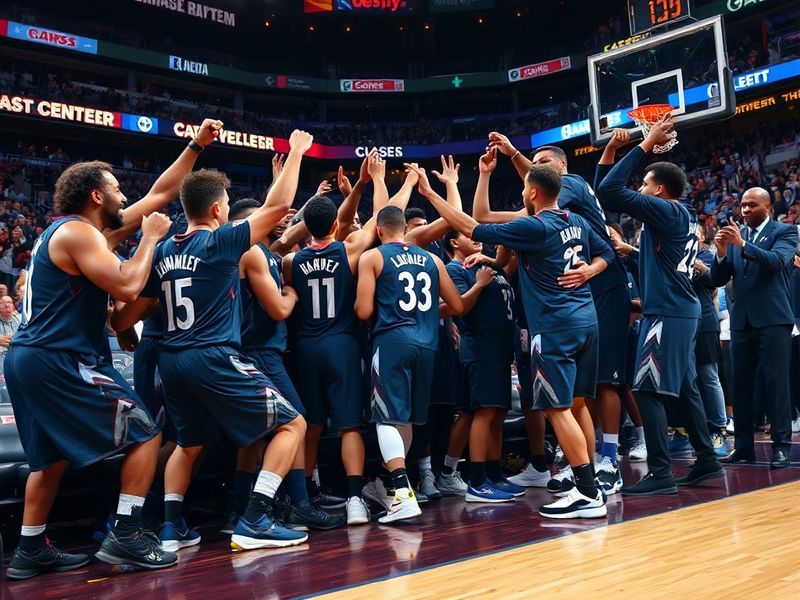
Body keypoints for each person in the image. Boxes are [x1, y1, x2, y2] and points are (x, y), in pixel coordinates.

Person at [3, 117, 223, 578]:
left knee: (48, 459)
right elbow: (127, 284)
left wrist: (195, 146)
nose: (126, 196)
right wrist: (150, 239)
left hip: (29, 358)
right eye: (118, 189)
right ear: (96, 196)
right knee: (144, 432)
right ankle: (126, 533)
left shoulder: (76, 233)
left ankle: (29, 549)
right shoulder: (80, 234)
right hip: (58, 356)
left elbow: (161, 195)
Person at [113, 130, 314, 552]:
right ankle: (256, 517)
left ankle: (171, 529)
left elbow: (125, 318)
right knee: (292, 422)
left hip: (171, 359)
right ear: (220, 208)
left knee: (189, 443)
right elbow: (278, 206)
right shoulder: (220, 241)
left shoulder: (165, 249)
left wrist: (127, 332)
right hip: (212, 355)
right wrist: (296, 151)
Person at [412, 162, 612, 519]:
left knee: (557, 409)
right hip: (587, 323)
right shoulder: (577, 221)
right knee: (577, 406)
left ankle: (587, 491)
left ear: (533, 192)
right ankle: (589, 482)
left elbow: (474, 225)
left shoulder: (535, 225)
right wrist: (591, 270)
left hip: (555, 327)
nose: (521, 194)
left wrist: (429, 194)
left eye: (523, 189)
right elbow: (607, 252)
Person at [486, 132, 630, 495]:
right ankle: (578, 461)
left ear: (563, 167)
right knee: (576, 396)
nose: (537, 171)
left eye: (545, 163)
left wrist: (593, 269)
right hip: (576, 291)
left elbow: (535, 202)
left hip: (601, 287)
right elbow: (537, 186)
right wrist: (515, 153)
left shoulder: (573, 185)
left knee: (606, 381)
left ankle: (608, 459)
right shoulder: (554, 194)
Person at [596, 123, 723, 495]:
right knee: (685, 389)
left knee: (647, 391)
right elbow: (605, 193)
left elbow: (610, 191)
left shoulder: (666, 213)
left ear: (659, 190)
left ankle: (660, 471)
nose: (640, 190)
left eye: (645, 185)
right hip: (679, 310)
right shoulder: (676, 216)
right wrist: (612, 151)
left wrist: (644, 144)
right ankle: (707, 458)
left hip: (667, 313)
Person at [230, 198, 345, 532]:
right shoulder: (252, 252)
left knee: (254, 436)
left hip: (266, 351)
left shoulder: (268, 252)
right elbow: (280, 309)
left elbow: (289, 229)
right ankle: (297, 503)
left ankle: (240, 505)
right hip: (259, 351)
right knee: (297, 422)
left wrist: (310, 207)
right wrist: (292, 295)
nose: (276, 221)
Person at [355, 205, 464, 522]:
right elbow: (456, 304)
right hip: (428, 345)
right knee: (406, 419)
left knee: (387, 417)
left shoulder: (373, 257)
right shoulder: (432, 259)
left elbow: (363, 311)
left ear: (378, 230)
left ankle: (402, 493)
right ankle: (398, 490)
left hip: (392, 342)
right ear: (404, 228)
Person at [711, 187, 798, 468]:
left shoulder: (785, 232)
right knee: (741, 386)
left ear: (767, 207)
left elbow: (776, 262)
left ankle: (781, 446)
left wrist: (743, 246)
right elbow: (717, 277)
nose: (745, 210)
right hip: (741, 321)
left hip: (773, 319)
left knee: (776, 384)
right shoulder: (739, 236)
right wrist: (722, 253)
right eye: (742, 205)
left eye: (751, 205)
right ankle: (744, 447)